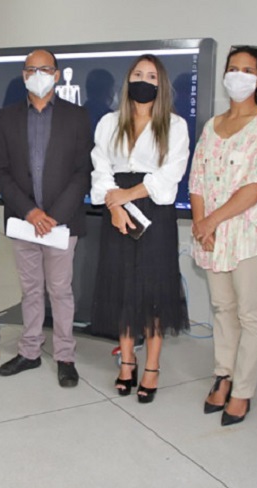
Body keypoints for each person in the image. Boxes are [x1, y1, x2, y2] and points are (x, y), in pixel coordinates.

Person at [90, 54, 190, 403]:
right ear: (127, 80)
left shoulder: (175, 126)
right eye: (137, 74)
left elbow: (171, 174)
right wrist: (115, 206)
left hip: (154, 212)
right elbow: (100, 168)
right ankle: (128, 361)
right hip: (116, 212)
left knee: (154, 291)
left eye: (151, 76)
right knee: (122, 289)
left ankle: (152, 366)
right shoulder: (108, 123)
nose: (143, 81)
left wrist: (126, 195)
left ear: (161, 85)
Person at [0, 49, 92, 387]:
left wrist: (54, 216)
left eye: (45, 69)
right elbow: (0, 172)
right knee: (30, 289)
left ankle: (65, 356)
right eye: (31, 69)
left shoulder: (77, 117)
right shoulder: (5, 118)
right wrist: (31, 212)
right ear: (23, 76)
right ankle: (29, 351)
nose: (38, 75)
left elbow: (82, 172)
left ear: (57, 75)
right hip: (24, 221)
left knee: (60, 290)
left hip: (62, 223)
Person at [190, 46, 257, 424]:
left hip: (249, 235)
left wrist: (210, 222)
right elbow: (197, 179)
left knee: (250, 314)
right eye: (233, 68)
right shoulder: (212, 126)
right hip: (211, 235)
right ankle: (223, 375)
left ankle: (243, 390)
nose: (238, 76)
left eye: (247, 70)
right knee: (222, 308)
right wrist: (200, 224)